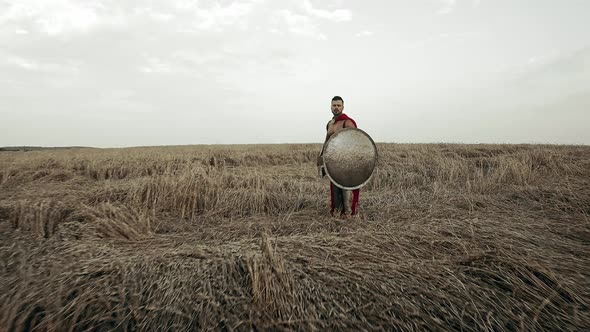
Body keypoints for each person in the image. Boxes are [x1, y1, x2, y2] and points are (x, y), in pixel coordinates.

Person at [317, 96, 361, 218]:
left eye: (338, 105)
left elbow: (356, 141)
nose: (336, 108)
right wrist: (322, 158)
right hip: (333, 161)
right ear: (330, 106)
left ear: (343, 107)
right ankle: (337, 212)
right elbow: (327, 142)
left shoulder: (348, 122)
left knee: (347, 188)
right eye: (334, 105)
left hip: (347, 162)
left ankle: (348, 214)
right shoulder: (330, 124)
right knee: (335, 188)